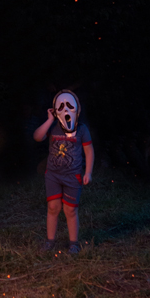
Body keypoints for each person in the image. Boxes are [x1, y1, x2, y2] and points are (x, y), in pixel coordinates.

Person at [33, 90, 94, 254]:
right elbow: (37, 137)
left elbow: (89, 151)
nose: (65, 110)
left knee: (70, 210)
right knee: (53, 208)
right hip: (53, 175)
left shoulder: (82, 129)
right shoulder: (53, 128)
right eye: (61, 106)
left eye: (69, 106)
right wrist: (49, 120)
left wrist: (88, 172)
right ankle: (50, 241)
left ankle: (73, 243)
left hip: (73, 176)